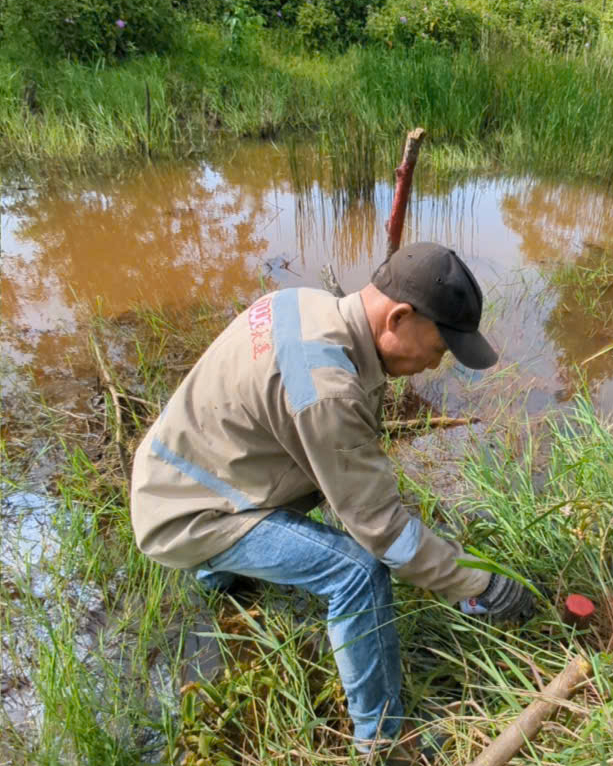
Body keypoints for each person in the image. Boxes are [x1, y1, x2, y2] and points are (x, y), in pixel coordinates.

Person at [130, 242, 538, 763]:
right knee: (359, 571)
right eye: (440, 347)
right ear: (399, 316)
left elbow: (340, 460)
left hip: (176, 471)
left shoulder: (308, 303)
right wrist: (480, 583)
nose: (437, 363)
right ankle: (383, 741)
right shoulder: (328, 388)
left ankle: (221, 580)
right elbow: (383, 532)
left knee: (332, 496)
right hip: (184, 517)